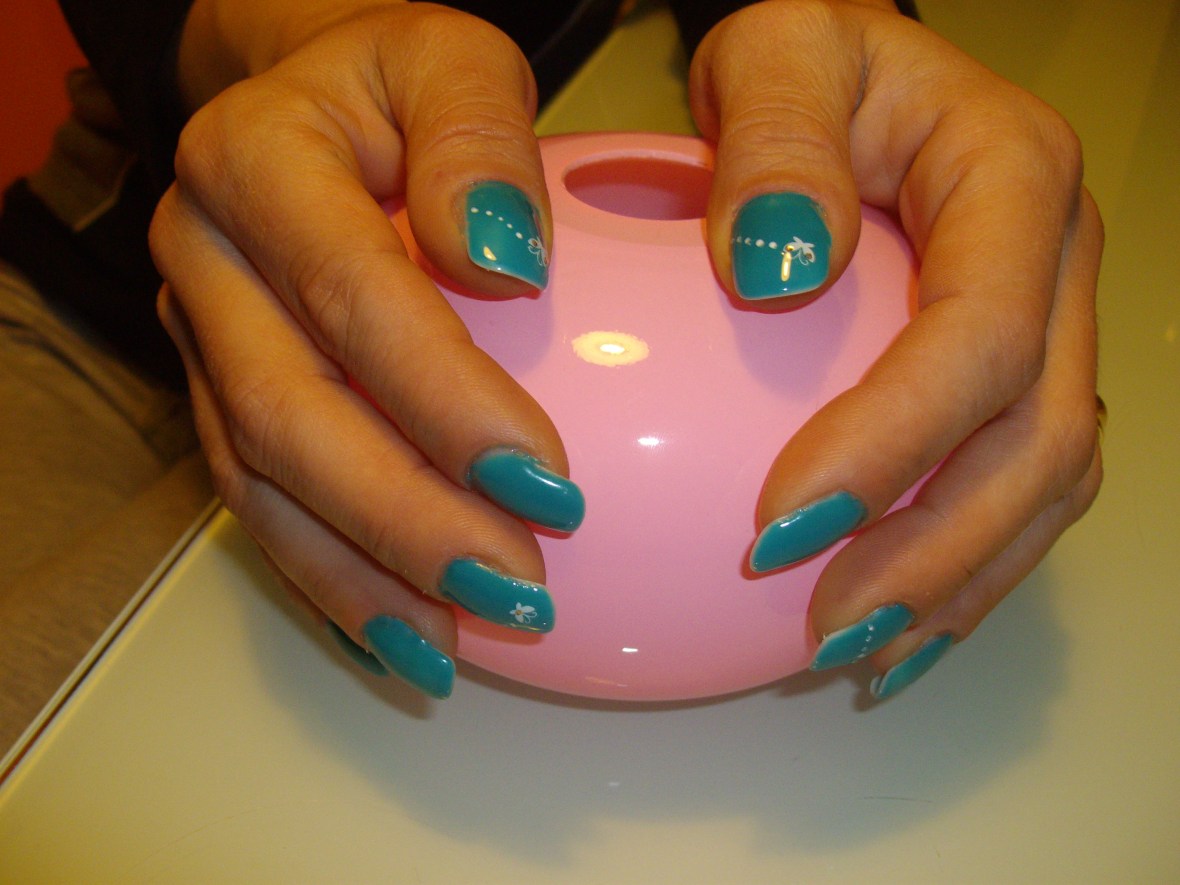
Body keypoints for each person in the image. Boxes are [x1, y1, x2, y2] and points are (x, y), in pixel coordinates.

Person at [0, 0, 1102, 710]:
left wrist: (835, 53)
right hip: (87, 312)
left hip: (395, 419)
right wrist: (319, 50)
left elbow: (796, 43)